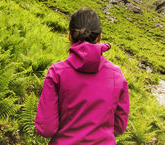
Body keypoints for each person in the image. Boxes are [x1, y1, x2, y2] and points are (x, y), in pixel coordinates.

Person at [35, 8, 129, 145]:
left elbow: (47, 128)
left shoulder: (56, 73)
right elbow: (120, 127)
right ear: (99, 37)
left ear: (69, 36)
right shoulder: (116, 74)